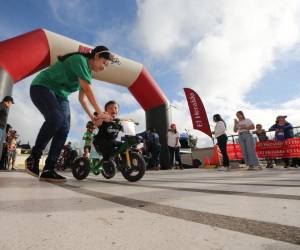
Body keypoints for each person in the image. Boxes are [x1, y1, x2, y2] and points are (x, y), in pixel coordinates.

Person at [25, 46, 113, 182]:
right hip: (43, 86)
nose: (104, 67)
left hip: (61, 96)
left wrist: (93, 117)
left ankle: (49, 169)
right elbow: (88, 91)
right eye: (104, 63)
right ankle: (33, 159)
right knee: (56, 118)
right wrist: (101, 113)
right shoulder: (80, 60)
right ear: (96, 56)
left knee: (64, 128)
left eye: (107, 66)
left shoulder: (89, 74)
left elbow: (82, 99)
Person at [0, 96, 14, 162]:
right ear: (8, 101)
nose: (11, 105)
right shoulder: (2, 105)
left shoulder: (3, 106)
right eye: (11, 103)